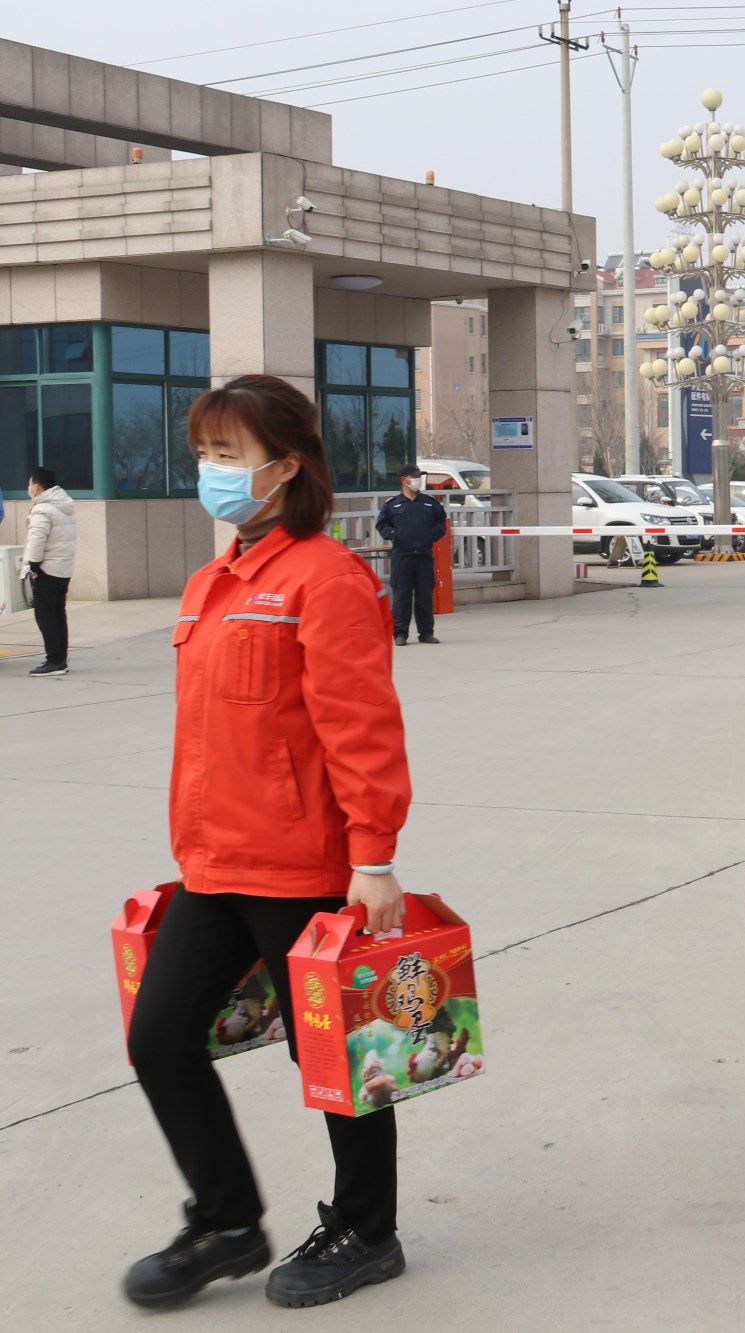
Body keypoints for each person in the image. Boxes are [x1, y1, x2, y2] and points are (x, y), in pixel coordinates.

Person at [123, 375, 412, 1310]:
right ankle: (227, 1219)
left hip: (302, 866)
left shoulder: (326, 579)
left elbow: (360, 728)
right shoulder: (211, 582)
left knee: (333, 1058)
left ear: (284, 466)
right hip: (213, 865)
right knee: (160, 1037)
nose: (209, 471)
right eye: (203, 453)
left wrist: (373, 856)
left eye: (227, 456)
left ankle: (368, 1230)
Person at [374, 464, 448, 646]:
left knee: (424, 596)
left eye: (419, 476)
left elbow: (441, 523)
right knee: (401, 597)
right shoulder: (393, 504)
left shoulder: (430, 503)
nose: (418, 480)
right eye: (414, 477)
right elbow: (382, 524)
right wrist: (393, 535)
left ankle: (426, 633)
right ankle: (400, 634)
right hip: (403, 557)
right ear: (404, 480)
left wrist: (431, 535)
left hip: (423, 555)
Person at [23, 465, 76, 678]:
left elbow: (37, 539)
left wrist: (33, 565)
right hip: (62, 569)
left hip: (46, 570)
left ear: (37, 487)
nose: (28, 487)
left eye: (29, 484)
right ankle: (60, 658)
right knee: (58, 615)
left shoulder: (42, 509)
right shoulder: (64, 505)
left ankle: (54, 661)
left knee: (46, 618)